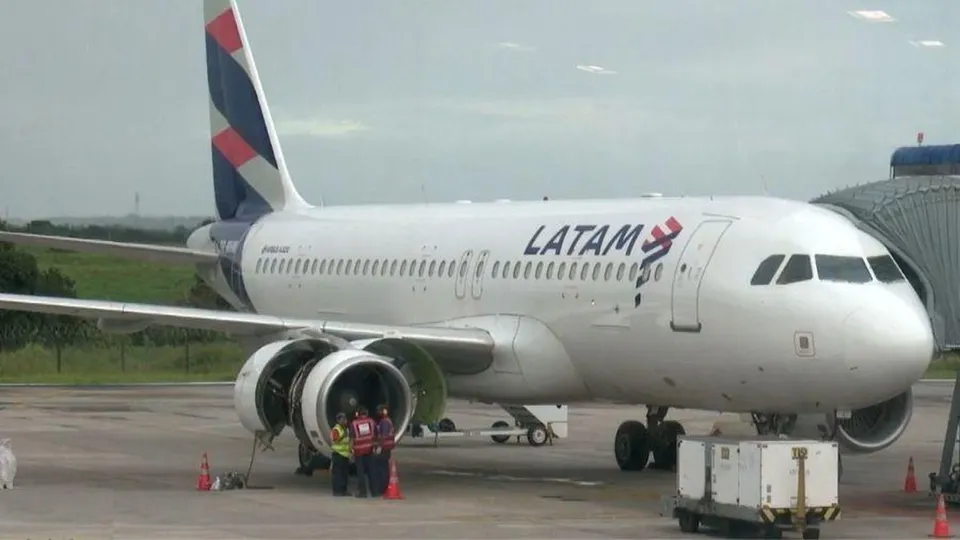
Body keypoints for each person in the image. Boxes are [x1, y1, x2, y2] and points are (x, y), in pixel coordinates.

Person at [348, 406, 377, 498]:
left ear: (358, 414)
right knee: (372, 471)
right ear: (366, 413)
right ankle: (374, 492)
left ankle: (363, 493)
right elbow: (376, 434)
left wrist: (350, 450)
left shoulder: (354, 423)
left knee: (360, 473)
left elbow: (352, 438)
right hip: (369, 450)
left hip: (359, 451)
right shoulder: (371, 422)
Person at [373, 404, 396, 495]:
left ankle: (381, 488)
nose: (377, 412)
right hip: (386, 448)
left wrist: (379, 445)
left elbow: (384, 436)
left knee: (381, 468)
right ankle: (383, 487)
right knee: (384, 468)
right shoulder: (387, 421)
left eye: (379, 410)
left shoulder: (385, 422)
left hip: (384, 448)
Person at [329, 412, 351, 496]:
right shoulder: (336, 429)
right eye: (343, 419)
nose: (345, 421)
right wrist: (343, 436)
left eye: (345, 419)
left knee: (344, 474)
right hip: (338, 454)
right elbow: (335, 439)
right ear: (338, 420)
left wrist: (350, 451)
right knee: (338, 474)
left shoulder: (346, 429)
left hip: (345, 455)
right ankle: (337, 491)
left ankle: (343, 490)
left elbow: (348, 441)